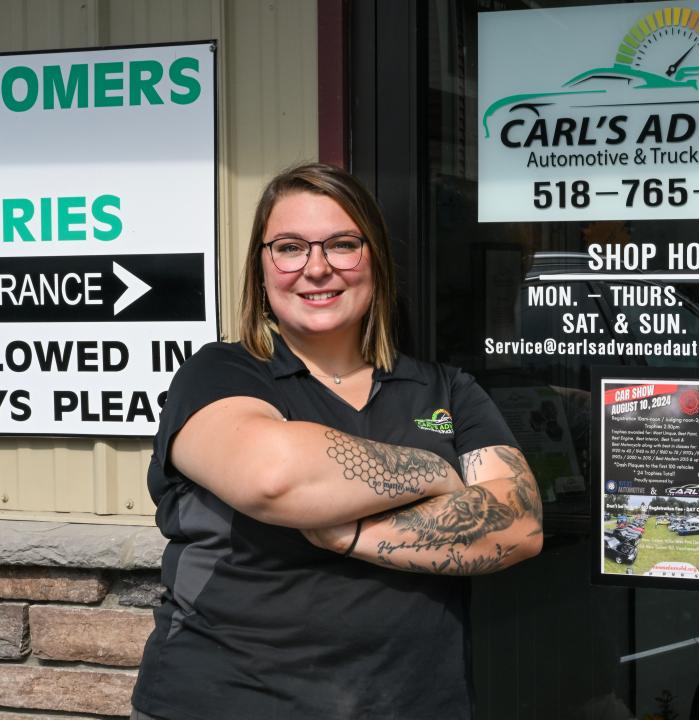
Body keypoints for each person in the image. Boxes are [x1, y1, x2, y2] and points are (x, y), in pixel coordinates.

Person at [130, 163, 544, 720]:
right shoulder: (221, 373)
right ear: (262, 267)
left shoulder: (446, 389)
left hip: (415, 706)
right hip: (228, 702)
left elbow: (519, 524)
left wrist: (342, 531)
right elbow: (274, 476)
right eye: (290, 247)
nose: (317, 268)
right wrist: (436, 473)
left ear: (375, 260)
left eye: (343, 245)